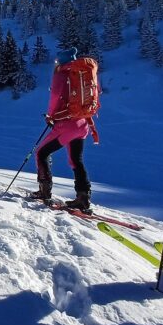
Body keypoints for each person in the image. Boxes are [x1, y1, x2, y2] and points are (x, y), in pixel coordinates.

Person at [30, 48, 94, 212]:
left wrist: (51, 116)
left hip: (67, 125)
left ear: (61, 61)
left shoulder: (61, 74)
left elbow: (55, 97)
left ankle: (44, 191)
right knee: (76, 160)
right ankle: (83, 197)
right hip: (83, 123)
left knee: (41, 153)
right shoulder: (81, 73)